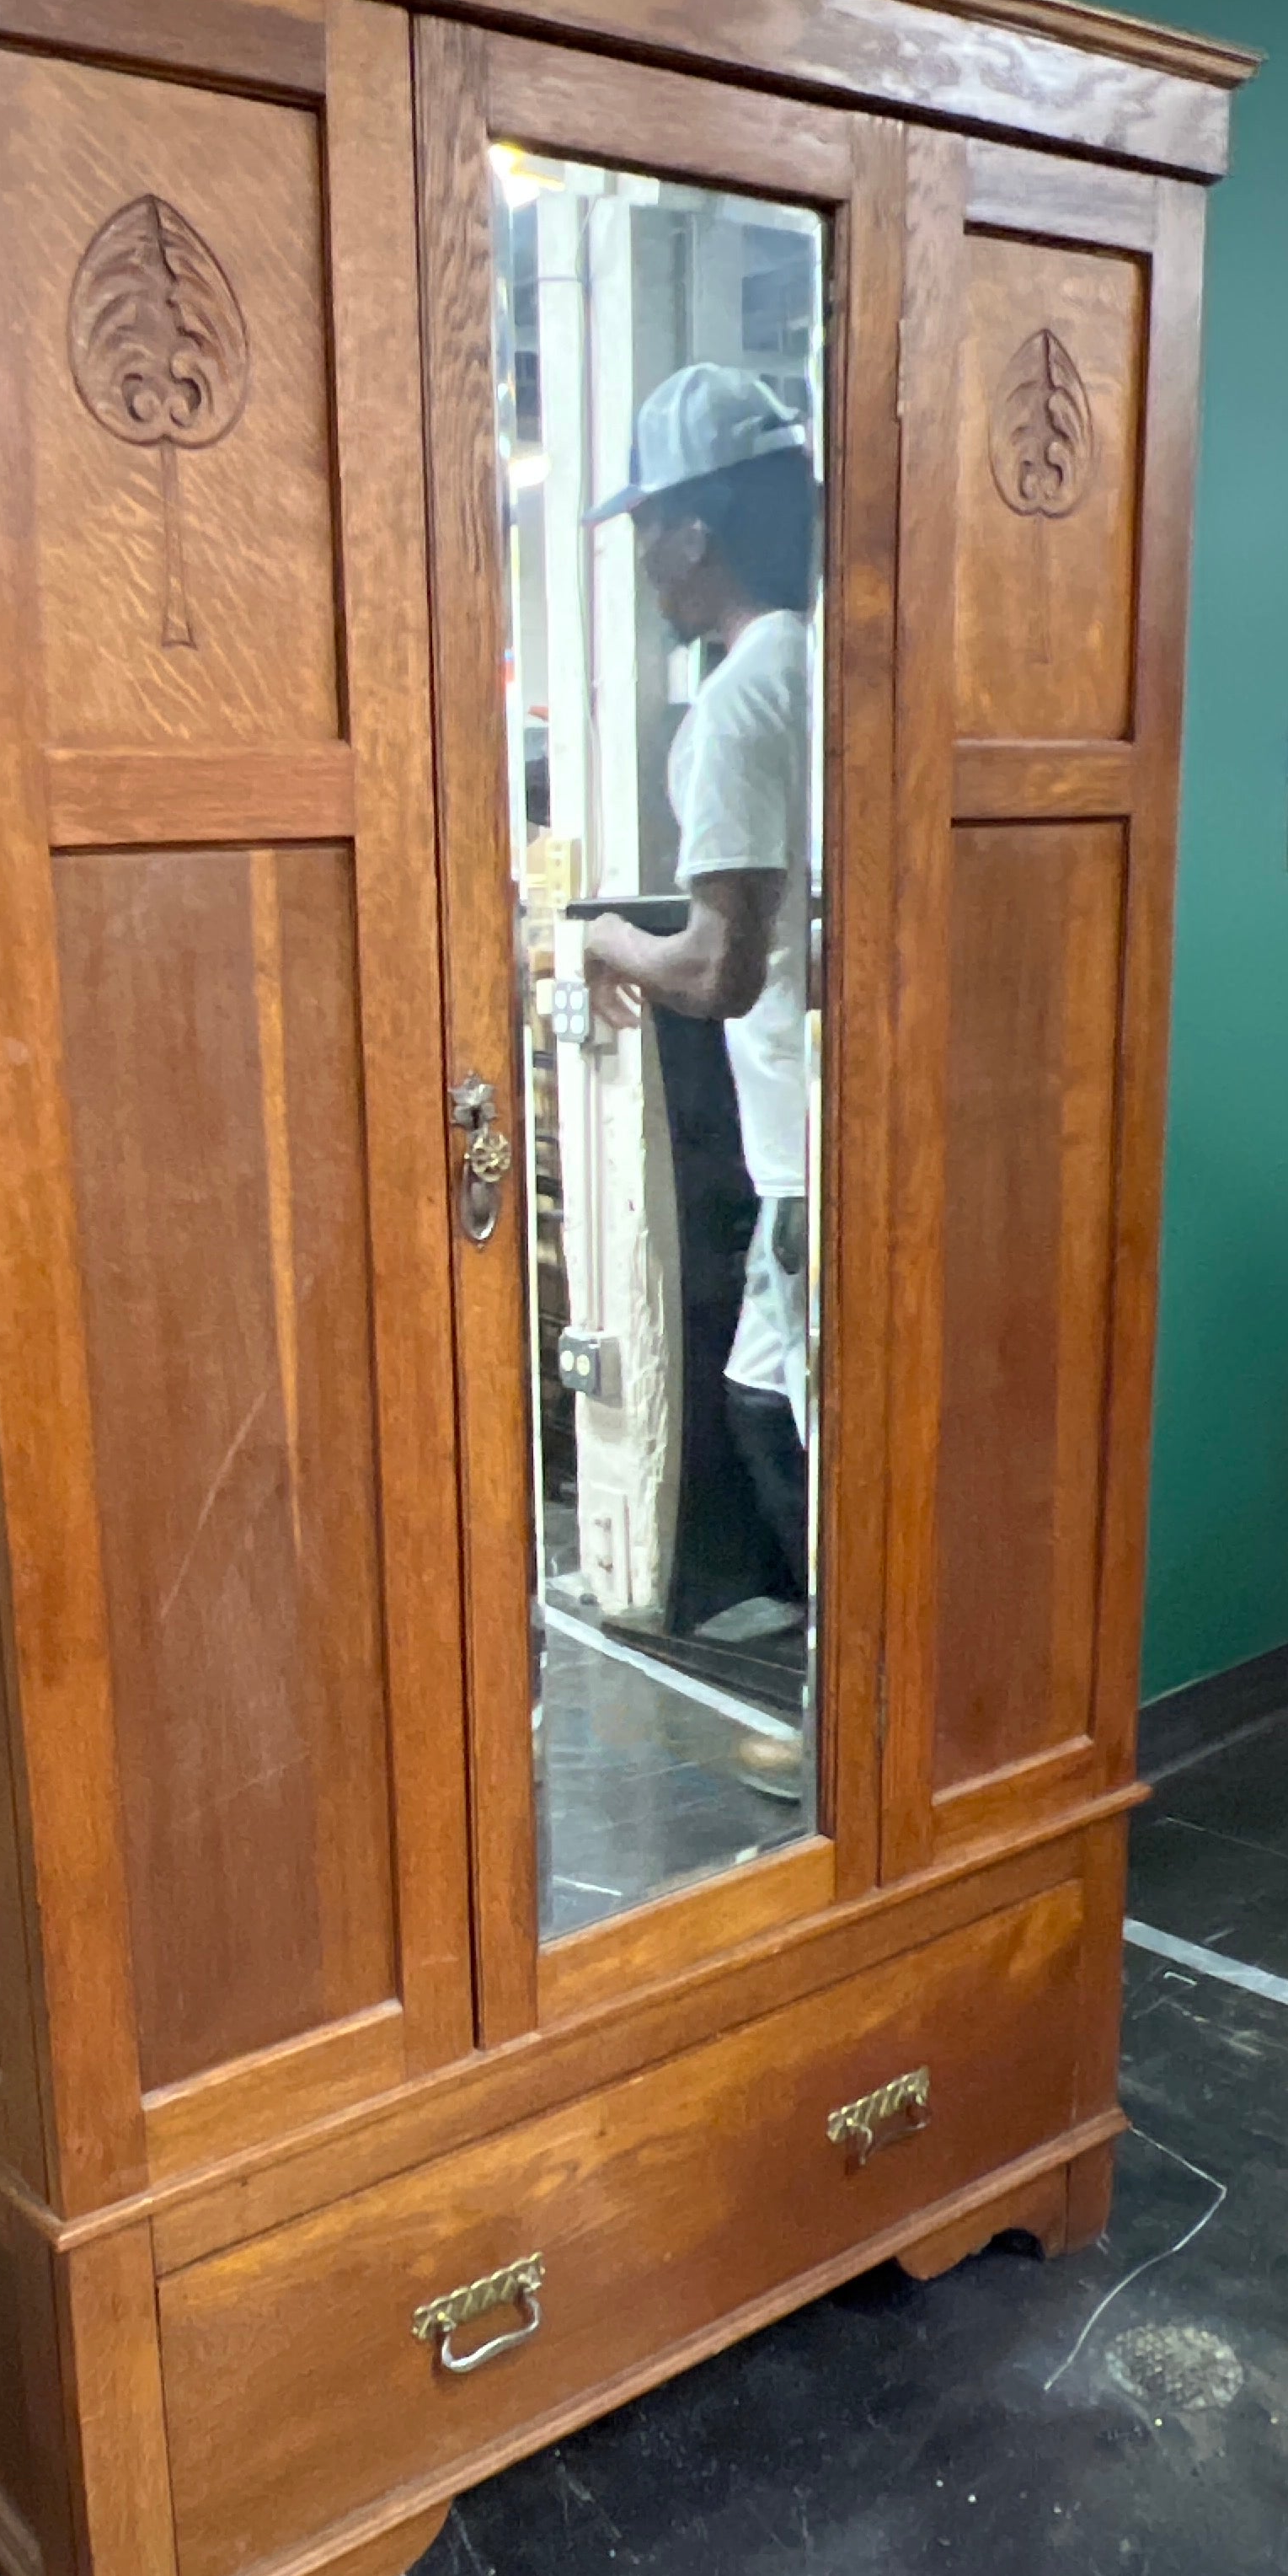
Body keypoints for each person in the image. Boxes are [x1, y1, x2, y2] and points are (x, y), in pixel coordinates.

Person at [581, 363, 817, 1791]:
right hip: (825, 1131)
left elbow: (723, 968)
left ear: (690, 533)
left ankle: (844, 1722)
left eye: (643, 525)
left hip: (798, 1148)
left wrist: (613, 940)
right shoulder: (831, 666)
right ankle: (836, 1692)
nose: (635, 557)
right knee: (759, 1397)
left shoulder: (733, 706)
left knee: (794, 1423)